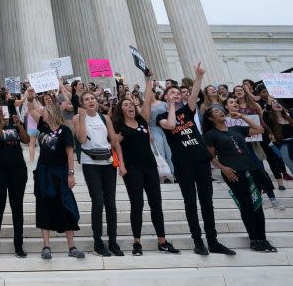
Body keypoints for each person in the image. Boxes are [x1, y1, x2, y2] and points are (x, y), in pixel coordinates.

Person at [157, 64, 235, 256]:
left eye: (178, 92)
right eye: (172, 92)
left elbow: (193, 95)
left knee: (207, 202)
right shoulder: (162, 116)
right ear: (165, 97)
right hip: (183, 164)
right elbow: (172, 124)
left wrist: (198, 76)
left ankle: (213, 240)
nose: (177, 94)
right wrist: (173, 107)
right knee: (190, 202)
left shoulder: (189, 110)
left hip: (201, 160)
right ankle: (198, 241)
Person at [111, 74, 179, 256]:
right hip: (132, 169)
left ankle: (162, 241)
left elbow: (148, 100)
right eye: (125, 105)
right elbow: (116, 147)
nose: (130, 107)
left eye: (131, 104)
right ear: (121, 109)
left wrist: (148, 82)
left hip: (150, 167)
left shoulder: (142, 121)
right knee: (137, 204)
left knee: (156, 203)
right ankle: (137, 242)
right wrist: (122, 166)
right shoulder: (119, 127)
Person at [203, 105, 276, 252]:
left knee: (257, 203)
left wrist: (242, 116)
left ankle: (263, 238)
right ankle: (254, 239)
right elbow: (209, 155)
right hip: (232, 171)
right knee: (246, 204)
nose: (221, 112)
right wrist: (223, 168)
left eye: (221, 110)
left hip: (251, 168)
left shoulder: (236, 129)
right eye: (216, 112)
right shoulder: (211, 134)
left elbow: (259, 129)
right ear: (211, 118)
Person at [26, 96, 84, 260]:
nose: (41, 112)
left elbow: (70, 153)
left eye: (44, 110)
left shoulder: (65, 130)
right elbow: (31, 109)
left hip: (60, 173)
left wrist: (71, 174)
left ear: (51, 112)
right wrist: (30, 96)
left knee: (65, 207)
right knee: (44, 207)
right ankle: (46, 247)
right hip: (44, 173)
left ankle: (71, 247)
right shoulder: (42, 127)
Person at [73, 87, 124, 257]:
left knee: (111, 202)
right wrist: (81, 118)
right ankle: (98, 241)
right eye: (86, 99)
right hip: (90, 163)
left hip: (108, 162)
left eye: (92, 98)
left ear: (96, 101)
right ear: (82, 104)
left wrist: (121, 163)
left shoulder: (105, 118)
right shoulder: (77, 118)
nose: (90, 101)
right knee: (98, 200)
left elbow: (113, 141)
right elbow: (80, 139)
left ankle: (113, 241)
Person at [0, 95, 30, 259]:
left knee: (17, 208)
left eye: (2, 110)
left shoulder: (15, 124)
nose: (0, 113)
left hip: (18, 170)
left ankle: (19, 246)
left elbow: (26, 140)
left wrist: (19, 125)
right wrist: (1, 126)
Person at [264, 98, 293, 184]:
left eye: (278, 103)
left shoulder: (290, 118)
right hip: (286, 148)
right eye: (274, 103)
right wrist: (269, 102)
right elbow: (265, 114)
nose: (277, 104)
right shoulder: (270, 120)